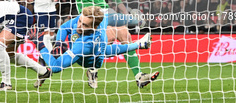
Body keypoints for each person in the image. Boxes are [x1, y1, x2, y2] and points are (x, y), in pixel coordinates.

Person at [30, 6, 158, 88]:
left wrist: (39, 43)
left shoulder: (84, 45)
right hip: (100, 50)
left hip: (85, 58)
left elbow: (56, 67)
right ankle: (140, 45)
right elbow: (64, 27)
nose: (79, 26)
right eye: (80, 21)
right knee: (109, 49)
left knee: (53, 59)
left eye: (84, 25)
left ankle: (92, 71)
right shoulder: (95, 19)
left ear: (93, 27)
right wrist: (59, 43)